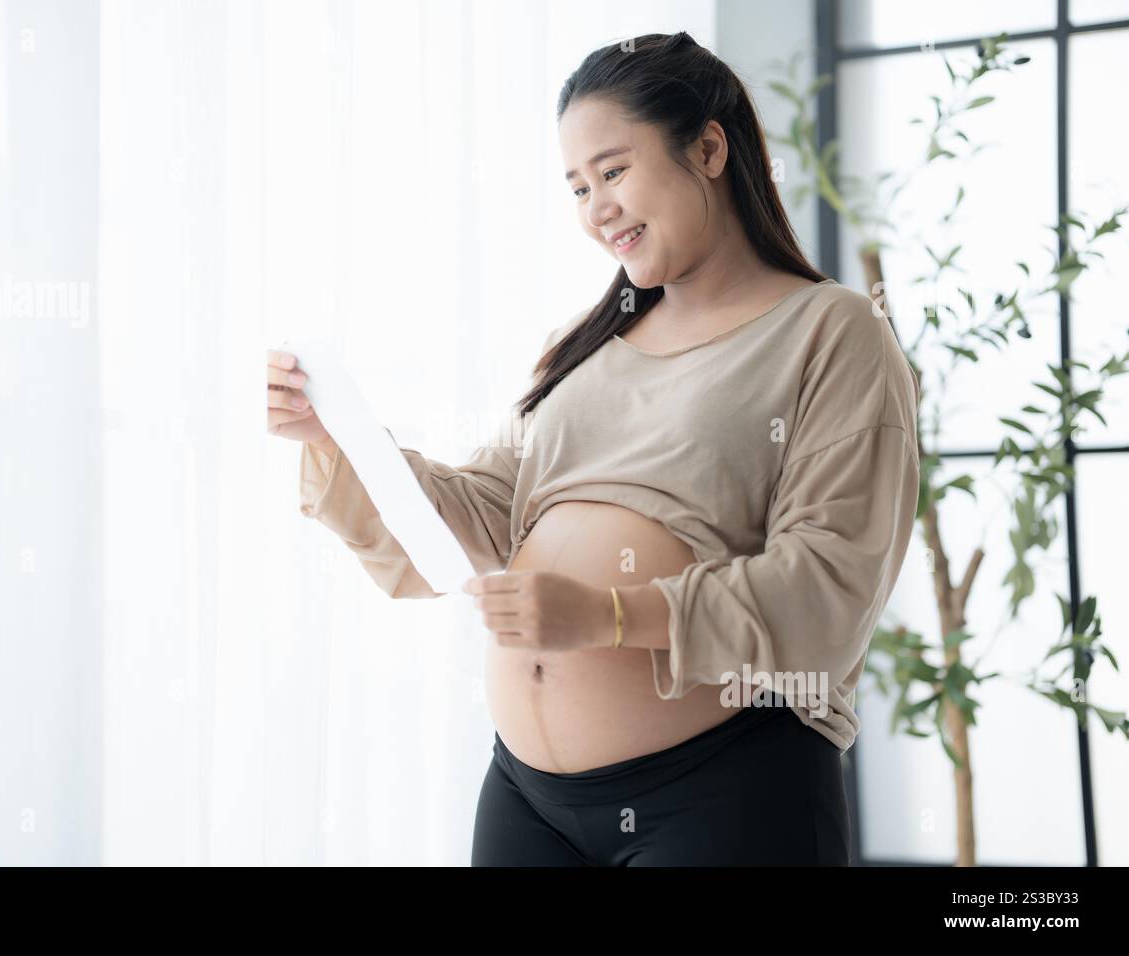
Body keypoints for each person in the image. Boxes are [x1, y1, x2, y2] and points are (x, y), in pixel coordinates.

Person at [267, 30, 920, 866]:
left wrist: (608, 617)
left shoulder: (831, 332)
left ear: (709, 149)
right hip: (526, 800)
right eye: (577, 186)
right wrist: (342, 440)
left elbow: (827, 585)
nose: (595, 208)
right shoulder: (580, 346)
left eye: (613, 172)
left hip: (725, 790)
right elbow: (485, 520)